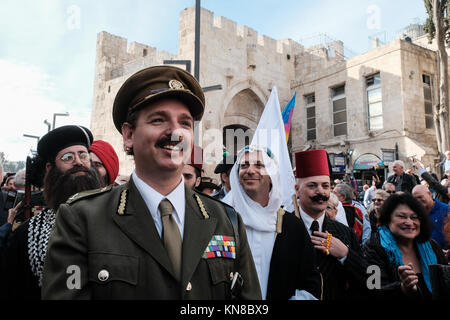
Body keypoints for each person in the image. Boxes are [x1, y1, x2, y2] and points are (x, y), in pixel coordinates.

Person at [42, 65, 261, 300]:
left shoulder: (226, 220)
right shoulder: (82, 219)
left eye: (185, 123)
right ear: (128, 135)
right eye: (158, 120)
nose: (175, 132)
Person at [0, 125, 101, 300]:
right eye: (68, 157)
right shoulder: (25, 235)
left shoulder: (117, 220)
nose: (78, 161)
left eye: (83, 155)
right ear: (50, 168)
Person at [223, 145, 321, 300]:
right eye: (244, 165)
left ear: (271, 175)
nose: (250, 170)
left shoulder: (292, 226)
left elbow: (310, 282)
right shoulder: (222, 220)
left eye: (259, 165)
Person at [294, 149, 369, 300]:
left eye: (325, 186)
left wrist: (346, 255)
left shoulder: (345, 233)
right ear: (297, 190)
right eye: (312, 186)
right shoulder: (282, 229)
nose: (320, 192)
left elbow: (371, 281)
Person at [363, 193, 447, 299]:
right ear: (388, 219)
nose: (409, 222)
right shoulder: (372, 248)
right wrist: (402, 288)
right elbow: (372, 288)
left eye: (414, 217)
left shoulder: (432, 247)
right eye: (402, 216)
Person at [412, 185, 450, 249]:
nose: (418, 201)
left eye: (420, 197)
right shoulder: (414, 214)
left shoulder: (446, 210)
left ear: (429, 194)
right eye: (415, 199)